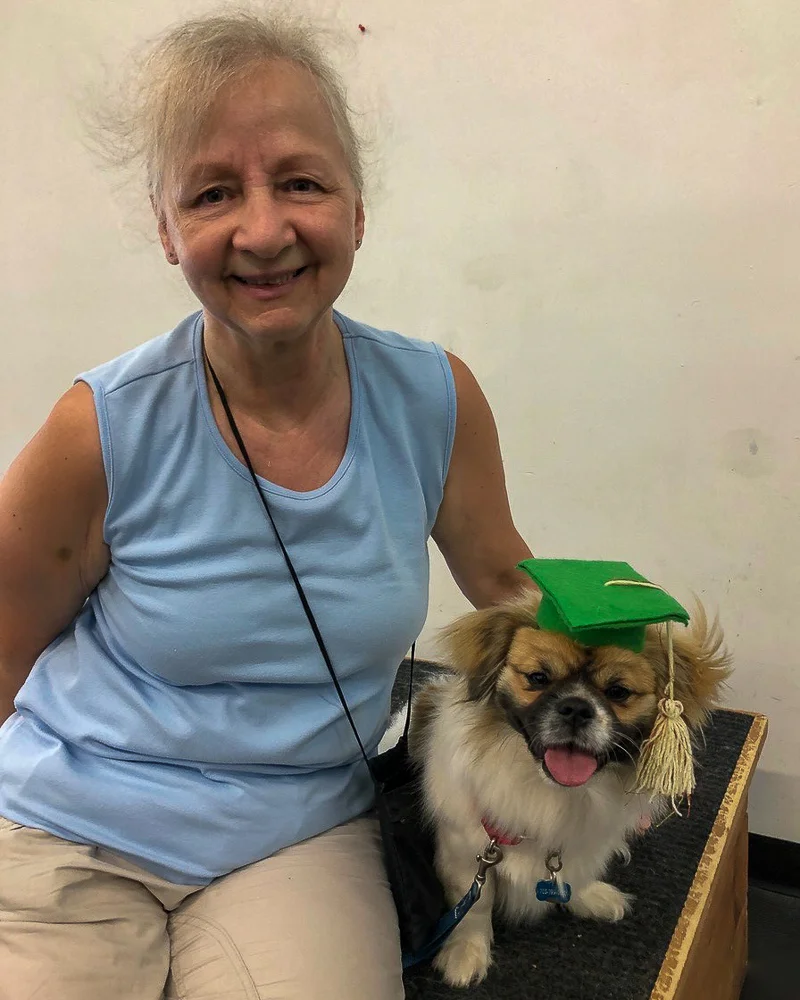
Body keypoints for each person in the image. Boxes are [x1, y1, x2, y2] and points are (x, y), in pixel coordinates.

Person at [0, 10, 532, 1000]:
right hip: (67, 828)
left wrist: (641, 678)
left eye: (300, 181)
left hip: (296, 837)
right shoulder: (97, 428)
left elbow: (512, 585)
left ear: (356, 208)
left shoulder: (433, 398)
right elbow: (3, 644)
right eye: (212, 193)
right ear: (168, 230)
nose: (262, 230)